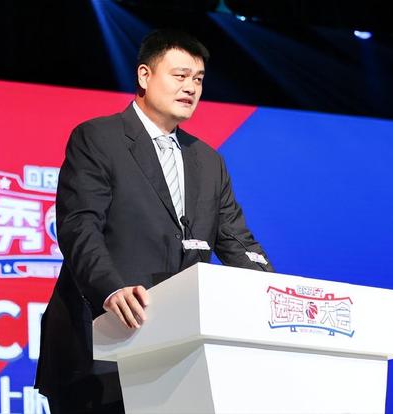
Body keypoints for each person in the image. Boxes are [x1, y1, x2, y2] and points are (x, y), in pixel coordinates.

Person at [35, 28, 274, 413]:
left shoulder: (208, 161)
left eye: (198, 79)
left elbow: (239, 243)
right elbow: (80, 227)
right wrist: (111, 290)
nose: (191, 88)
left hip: (179, 358)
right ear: (145, 76)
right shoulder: (98, 138)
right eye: (180, 76)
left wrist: (275, 297)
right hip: (102, 349)